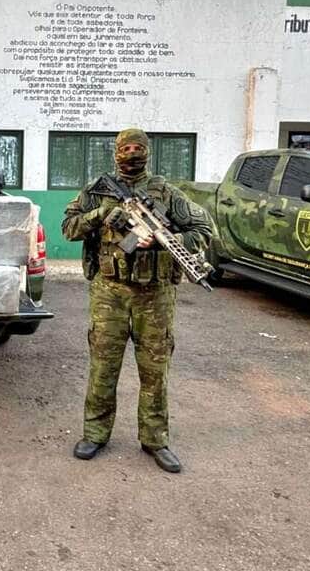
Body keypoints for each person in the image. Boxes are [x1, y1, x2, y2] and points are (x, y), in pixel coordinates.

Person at [61, 128, 212, 473]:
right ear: (115, 152)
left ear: (148, 152)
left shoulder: (167, 194)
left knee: (155, 370)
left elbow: (203, 231)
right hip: (109, 292)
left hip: (155, 295)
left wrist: (163, 241)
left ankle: (155, 440)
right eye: (126, 148)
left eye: (138, 148)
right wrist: (100, 216)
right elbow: (68, 228)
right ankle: (95, 434)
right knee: (103, 365)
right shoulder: (97, 191)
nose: (132, 154)